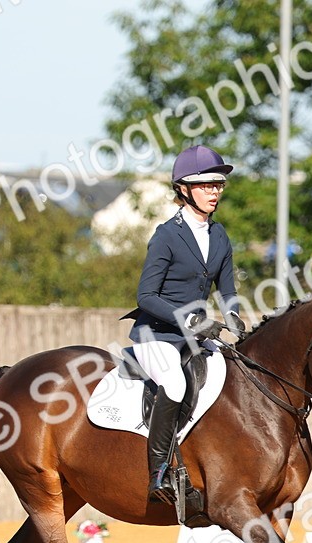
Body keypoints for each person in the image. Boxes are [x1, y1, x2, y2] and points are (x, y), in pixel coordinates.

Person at [123, 145, 245, 504]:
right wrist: (190, 318)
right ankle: (158, 470)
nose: (215, 192)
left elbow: (227, 290)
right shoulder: (166, 235)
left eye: (218, 185)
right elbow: (146, 295)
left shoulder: (219, 236)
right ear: (184, 189)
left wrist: (235, 318)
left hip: (196, 336)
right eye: (207, 186)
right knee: (174, 384)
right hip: (156, 334)